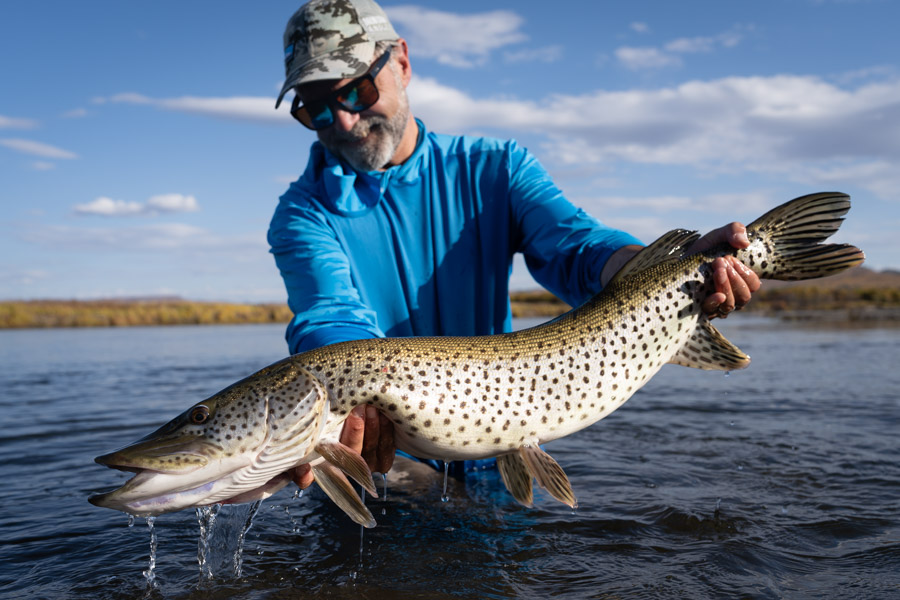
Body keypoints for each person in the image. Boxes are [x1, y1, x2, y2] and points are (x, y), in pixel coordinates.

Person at [268, 0, 760, 490]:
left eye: (356, 90)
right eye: (315, 109)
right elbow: (329, 316)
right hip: (377, 468)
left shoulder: (497, 167)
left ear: (401, 62)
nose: (344, 122)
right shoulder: (301, 213)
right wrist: (338, 407)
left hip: (500, 466)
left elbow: (576, 246)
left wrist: (670, 271)